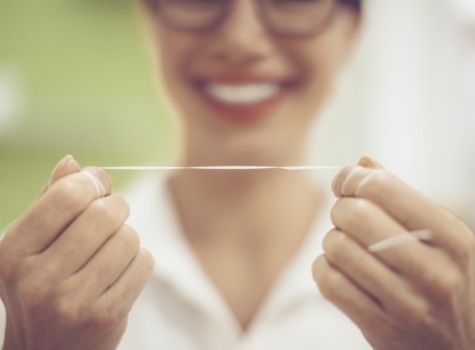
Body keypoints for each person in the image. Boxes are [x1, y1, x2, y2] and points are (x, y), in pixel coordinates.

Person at [0, 0, 474, 349]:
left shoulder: (438, 292)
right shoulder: (32, 292)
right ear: (151, 20)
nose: (242, 40)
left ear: (350, 31)